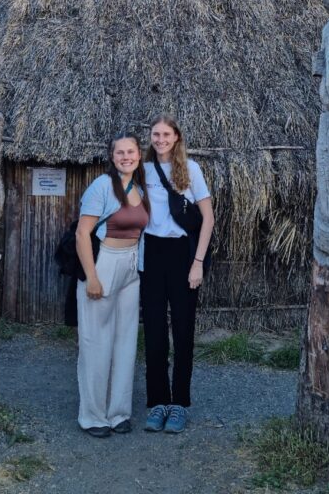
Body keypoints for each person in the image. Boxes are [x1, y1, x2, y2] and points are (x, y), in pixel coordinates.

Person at [141, 114, 215, 433]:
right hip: (151, 254)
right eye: (156, 134)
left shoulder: (191, 170)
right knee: (155, 332)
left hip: (182, 253)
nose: (160, 139)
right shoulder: (141, 171)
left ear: (176, 137)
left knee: (183, 332)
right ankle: (158, 402)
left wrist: (197, 262)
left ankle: (180, 403)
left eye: (166, 134)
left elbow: (208, 219)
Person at [75, 132, 150, 437]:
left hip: (132, 265)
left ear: (138, 155)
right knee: (96, 340)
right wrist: (92, 277)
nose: (126, 157)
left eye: (130, 152)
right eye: (120, 153)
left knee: (125, 339)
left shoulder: (141, 189)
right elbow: (82, 234)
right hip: (104, 262)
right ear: (112, 156)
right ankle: (93, 416)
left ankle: (119, 412)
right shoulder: (102, 186)